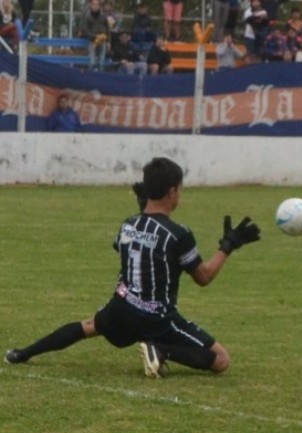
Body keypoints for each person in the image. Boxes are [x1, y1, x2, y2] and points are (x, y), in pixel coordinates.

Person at [4, 157, 262, 378]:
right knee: (221, 360)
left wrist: (142, 213)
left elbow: (134, 246)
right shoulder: (179, 234)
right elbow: (203, 277)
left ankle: (22, 354)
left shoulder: (128, 225)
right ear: (172, 191)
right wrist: (228, 245)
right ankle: (160, 350)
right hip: (157, 319)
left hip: (123, 307)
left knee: (88, 326)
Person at [79, 0, 109, 72]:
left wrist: (108, 41)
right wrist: (95, 36)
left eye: (97, 5)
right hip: (92, 40)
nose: (95, 6)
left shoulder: (103, 16)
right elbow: (85, 30)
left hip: (103, 39)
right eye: (94, 4)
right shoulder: (87, 16)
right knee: (92, 61)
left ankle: (101, 75)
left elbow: (108, 29)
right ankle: (90, 75)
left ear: (99, 6)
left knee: (101, 62)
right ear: (91, 6)